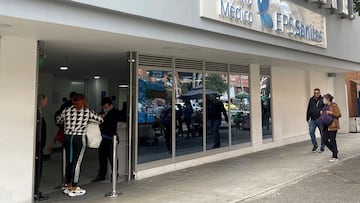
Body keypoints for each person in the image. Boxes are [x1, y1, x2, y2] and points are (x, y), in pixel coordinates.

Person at [56, 94, 103, 197]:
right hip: (79, 138)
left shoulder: (67, 110)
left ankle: (68, 185)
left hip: (68, 138)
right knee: (76, 163)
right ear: (83, 101)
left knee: (69, 161)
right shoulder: (87, 111)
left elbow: (58, 120)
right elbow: (100, 120)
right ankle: (74, 187)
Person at [92, 97, 123, 182]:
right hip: (103, 138)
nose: (104, 109)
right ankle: (101, 174)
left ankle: (114, 174)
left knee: (112, 157)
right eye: (103, 107)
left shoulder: (116, 113)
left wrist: (106, 116)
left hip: (112, 138)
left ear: (110, 106)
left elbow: (117, 120)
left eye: (106, 107)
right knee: (102, 157)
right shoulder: (102, 113)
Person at [34, 94, 49, 201]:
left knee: (39, 169)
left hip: (39, 145)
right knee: (37, 170)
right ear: (41, 100)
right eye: (46, 100)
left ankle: (36, 190)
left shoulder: (39, 111)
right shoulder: (36, 113)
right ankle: (35, 192)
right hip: (37, 145)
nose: (47, 103)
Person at [321, 94, 341, 162]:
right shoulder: (325, 106)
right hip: (326, 125)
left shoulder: (334, 105)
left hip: (333, 125)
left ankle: (335, 156)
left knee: (332, 140)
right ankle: (335, 151)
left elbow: (339, 114)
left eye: (324, 99)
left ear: (328, 99)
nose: (324, 100)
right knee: (324, 140)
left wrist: (331, 113)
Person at [306, 88, 325, 153]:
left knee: (322, 134)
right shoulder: (311, 100)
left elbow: (327, 108)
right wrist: (307, 118)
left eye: (317, 93)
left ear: (319, 93)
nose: (316, 94)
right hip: (313, 119)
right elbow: (309, 108)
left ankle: (322, 147)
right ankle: (315, 145)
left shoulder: (323, 100)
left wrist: (323, 112)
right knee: (311, 132)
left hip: (320, 119)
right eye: (315, 93)